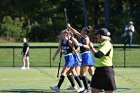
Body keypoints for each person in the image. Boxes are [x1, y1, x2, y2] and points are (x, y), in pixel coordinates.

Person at [68, 24, 95, 93]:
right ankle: (99, 86)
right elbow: (75, 32)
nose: (81, 30)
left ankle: (87, 89)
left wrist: (81, 44)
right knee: (92, 74)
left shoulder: (86, 38)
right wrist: (70, 27)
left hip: (87, 55)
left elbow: (88, 47)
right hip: (86, 56)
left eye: (82, 30)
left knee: (82, 74)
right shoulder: (82, 36)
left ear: (85, 32)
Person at [89, 28, 116, 93]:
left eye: (97, 35)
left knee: (108, 91)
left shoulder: (107, 44)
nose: (96, 36)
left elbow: (99, 55)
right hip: (98, 70)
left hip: (106, 70)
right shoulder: (102, 44)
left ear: (101, 36)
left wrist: (91, 47)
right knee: (94, 90)